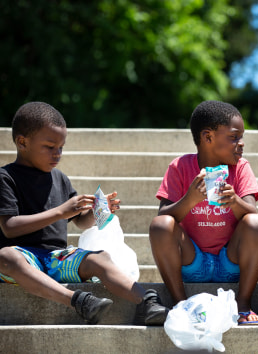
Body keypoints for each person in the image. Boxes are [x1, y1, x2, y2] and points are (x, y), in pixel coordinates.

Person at [0, 102, 168, 325]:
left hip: (57, 258)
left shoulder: (59, 178)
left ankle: (147, 301)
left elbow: (79, 221)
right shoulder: (6, 178)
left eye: (61, 147)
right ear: (22, 142)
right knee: (5, 257)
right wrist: (61, 211)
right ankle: (79, 301)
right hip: (23, 257)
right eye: (50, 147)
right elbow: (9, 227)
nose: (57, 154)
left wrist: (98, 212)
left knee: (100, 257)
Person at [149, 100, 258, 325]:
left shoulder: (240, 167)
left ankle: (243, 304)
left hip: (229, 261)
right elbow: (163, 215)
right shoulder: (180, 167)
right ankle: (181, 306)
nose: (241, 144)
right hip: (192, 261)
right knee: (160, 225)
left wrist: (234, 201)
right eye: (234, 137)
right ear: (208, 137)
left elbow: (252, 212)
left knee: (256, 222)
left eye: (241, 137)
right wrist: (190, 200)